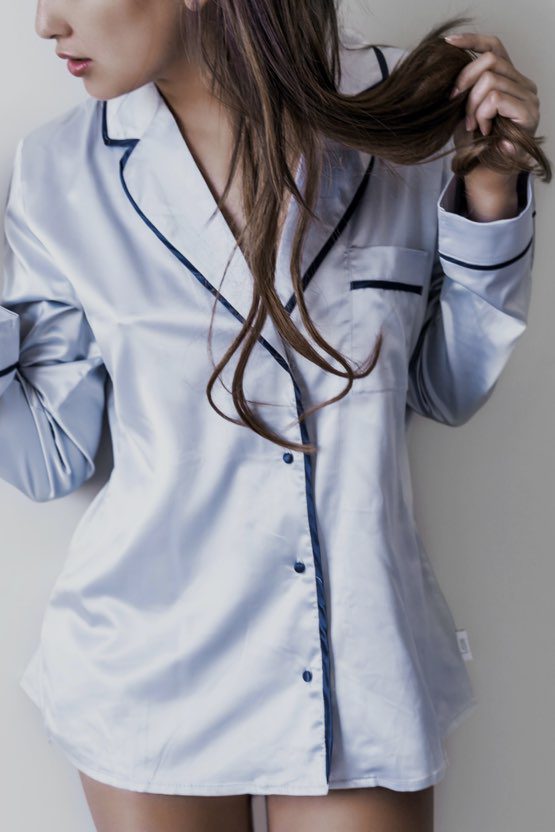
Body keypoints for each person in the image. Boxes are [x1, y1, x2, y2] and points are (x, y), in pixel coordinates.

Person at [2, 1, 545, 830]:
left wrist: (490, 192)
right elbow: (50, 458)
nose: (45, 22)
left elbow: (444, 387)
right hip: (151, 667)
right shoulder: (57, 172)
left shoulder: (405, 113)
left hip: (357, 667)